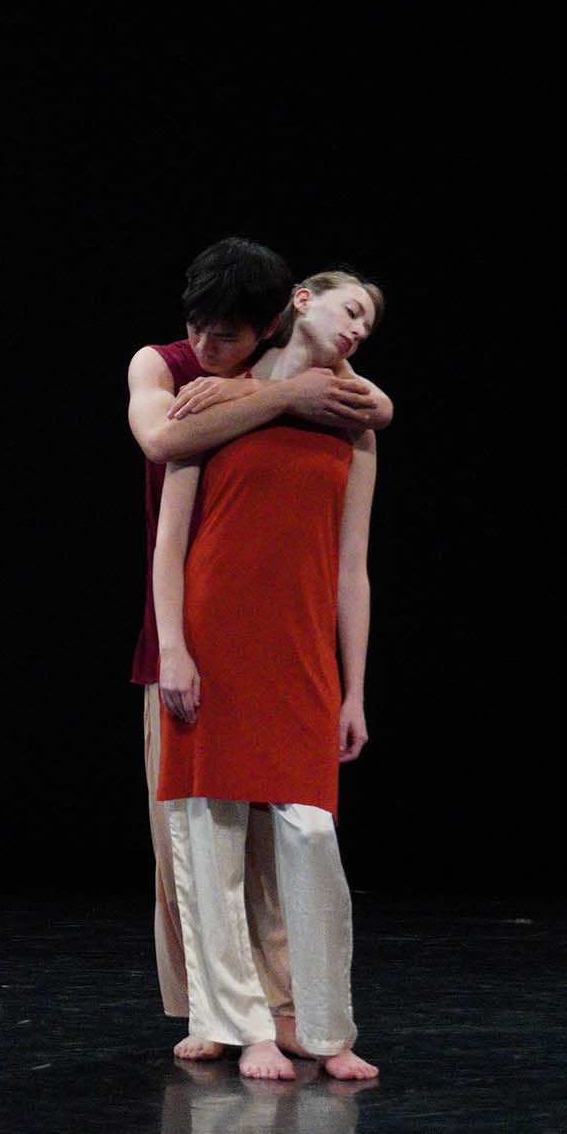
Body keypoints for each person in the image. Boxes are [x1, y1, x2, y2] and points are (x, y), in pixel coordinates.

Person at [126, 236, 393, 1059]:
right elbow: (168, 524)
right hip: (207, 639)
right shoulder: (202, 395)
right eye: (349, 306)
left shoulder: (352, 421)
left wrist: (355, 690)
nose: (357, 329)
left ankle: (319, 1024)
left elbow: (355, 568)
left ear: (271, 320)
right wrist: (175, 646)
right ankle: (232, 1023)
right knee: (205, 841)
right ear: (304, 305)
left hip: (301, 649)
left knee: (308, 839)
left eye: (369, 321)